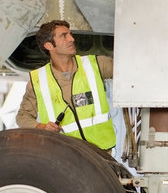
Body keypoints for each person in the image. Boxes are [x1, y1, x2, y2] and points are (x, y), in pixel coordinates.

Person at [16, 20, 116, 150]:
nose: (71, 39)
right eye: (64, 36)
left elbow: (131, 75)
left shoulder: (96, 64)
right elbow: (22, 117)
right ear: (49, 46)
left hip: (103, 153)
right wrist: (43, 127)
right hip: (67, 155)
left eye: (70, 34)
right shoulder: (38, 81)